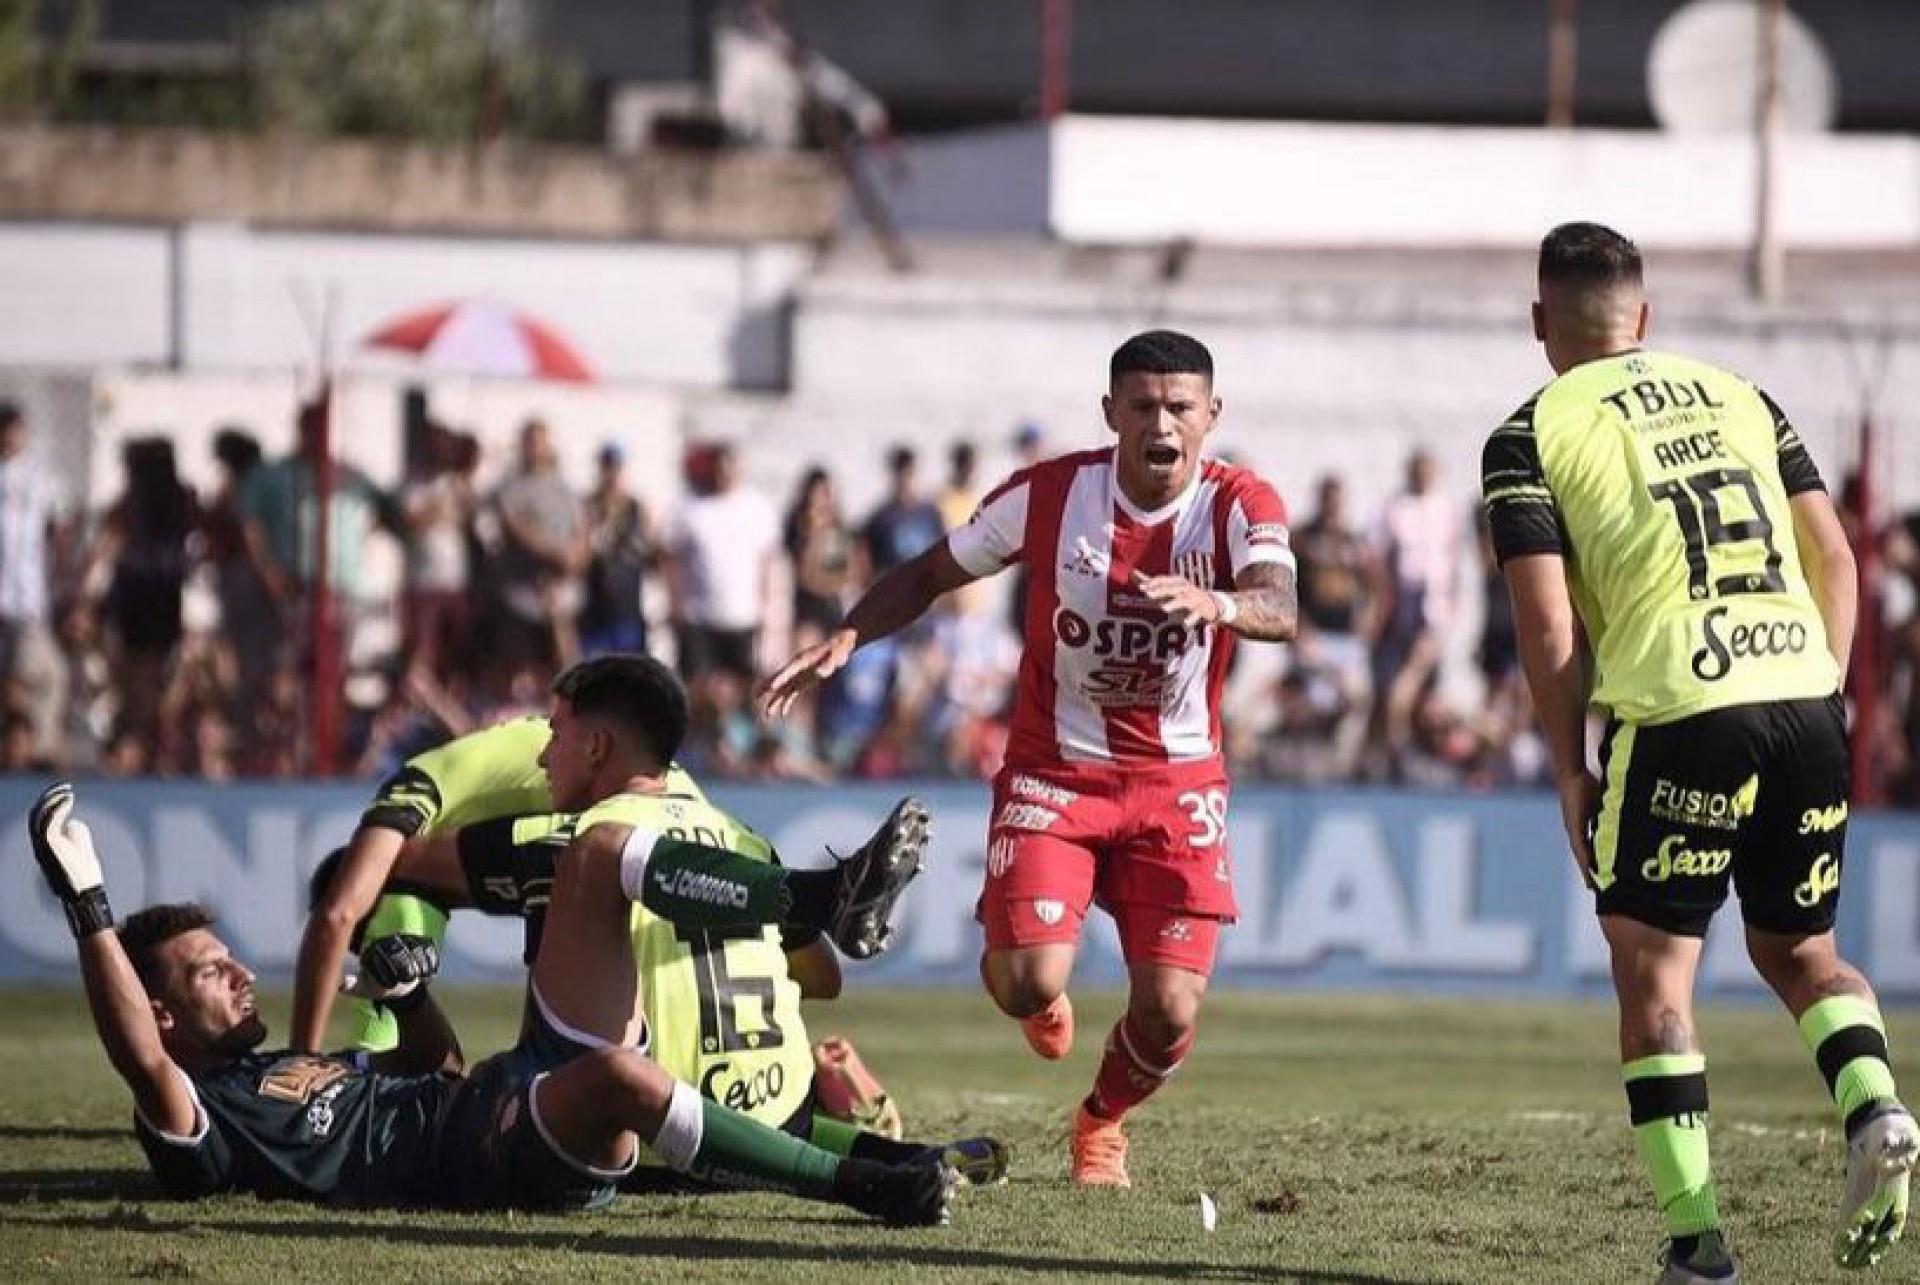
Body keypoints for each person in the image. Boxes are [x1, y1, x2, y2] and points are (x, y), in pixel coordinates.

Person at [1481, 221, 1916, 1282]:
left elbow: (1547, 629)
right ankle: (1878, 1105)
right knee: (1802, 950)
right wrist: (1822, 684)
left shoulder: (1529, 431)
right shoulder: (1742, 395)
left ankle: (1700, 1245)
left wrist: (1572, 767)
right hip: (1805, 694)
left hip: (1681, 706)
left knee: (1656, 975)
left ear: (1543, 321)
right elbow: (1833, 555)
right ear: (1648, 316)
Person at [762, 330, 1298, 1186]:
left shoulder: (1239, 502)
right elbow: (931, 571)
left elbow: (1281, 602)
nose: (1162, 423)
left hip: (1177, 781)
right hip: (1057, 769)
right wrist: (849, 634)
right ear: (1112, 413)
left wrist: (1222, 601)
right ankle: (1039, 987)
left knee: (1165, 1011)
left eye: (1181, 407)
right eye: (1143, 405)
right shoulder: (1051, 495)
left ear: (1211, 414)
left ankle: (1101, 1121)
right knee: (1021, 981)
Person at [24, 769, 952, 1222]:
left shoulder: (285, 1068)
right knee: (620, 1075)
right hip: (482, 1156)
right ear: (165, 1014)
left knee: (589, 860)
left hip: (493, 1096)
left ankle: (814, 898)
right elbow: (139, 1060)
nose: (236, 970)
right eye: (205, 971)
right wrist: (88, 903)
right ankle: (863, 1182)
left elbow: (439, 1066)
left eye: (227, 954)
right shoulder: (205, 1121)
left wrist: (411, 997)